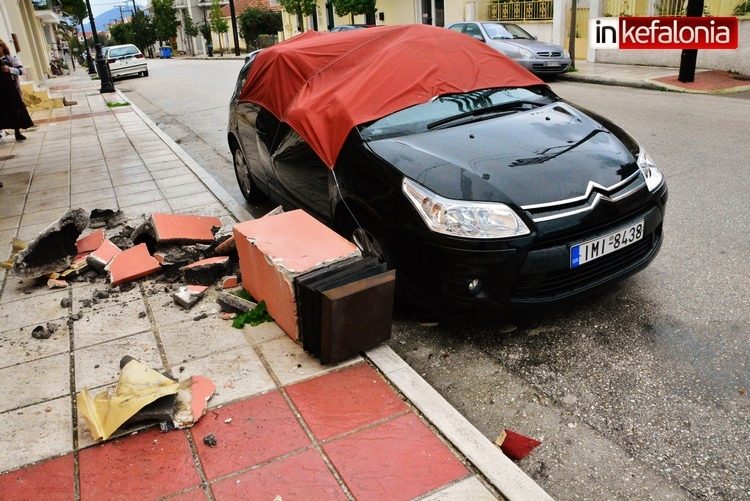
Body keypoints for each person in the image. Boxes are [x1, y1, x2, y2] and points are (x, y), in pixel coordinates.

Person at [0, 38, 34, 141]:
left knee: (15, 110)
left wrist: (9, 69)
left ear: (2, 47)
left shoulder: (11, 58)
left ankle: (17, 132)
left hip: (10, 89)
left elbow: (22, 71)